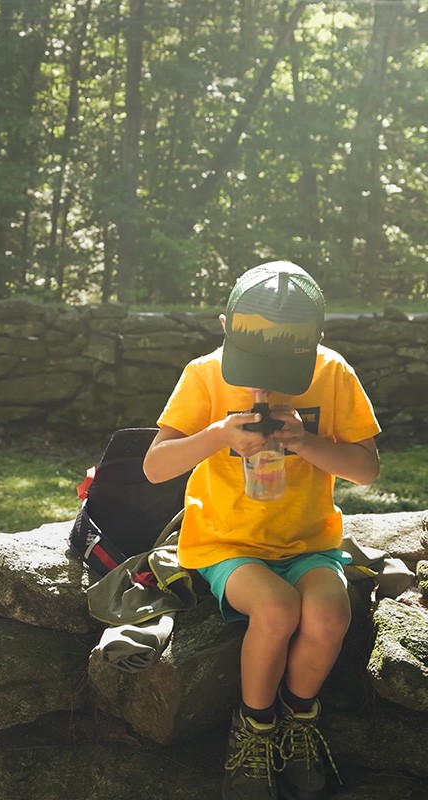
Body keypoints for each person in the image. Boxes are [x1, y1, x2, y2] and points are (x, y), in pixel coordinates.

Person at [143, 261, 380, 800]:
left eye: (282, 371)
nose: (265, 385)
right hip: (226, 543)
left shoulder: (333, 373)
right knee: (276, 609)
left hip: (309, 542)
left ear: (314, 343)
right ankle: (253, 731)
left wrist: (303, 442)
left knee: (329, 612)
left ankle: (299, 720)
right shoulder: (204, 374)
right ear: (225, 327)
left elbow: (366, 469)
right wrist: (218, 433)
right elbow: (156, 466)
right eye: (253, 366)